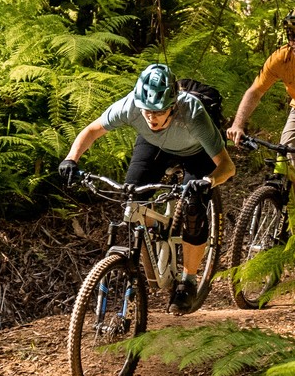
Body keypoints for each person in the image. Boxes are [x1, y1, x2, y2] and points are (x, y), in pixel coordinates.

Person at [60, 63, 236, 306]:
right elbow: (92, 130)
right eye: (146, 111)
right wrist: (71, 159)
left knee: (193, 208)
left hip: (197, 153)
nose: (151, 117)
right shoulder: (131, 105)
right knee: (132, 199)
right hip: (155, 145)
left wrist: (208, 181)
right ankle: (159, 230)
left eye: (158, 111)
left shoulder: (192, 113)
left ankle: (188, 280)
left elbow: (227, 166)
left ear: (173, 106)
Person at [230, 8, 295, 156]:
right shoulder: (281, 58)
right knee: (286, 157)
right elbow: (256, 91)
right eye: (291, 36)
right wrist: (237, 125)